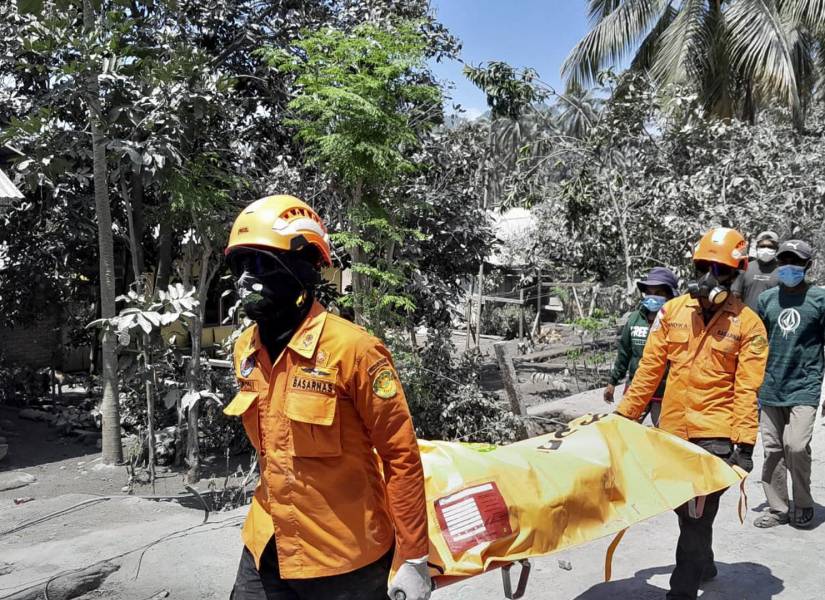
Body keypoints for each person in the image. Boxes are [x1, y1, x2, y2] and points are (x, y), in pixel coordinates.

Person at [223, 195, 430, 600]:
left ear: (302, 268)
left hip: (346, 562)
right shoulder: (245, 350)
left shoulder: (354, 350)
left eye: (262, 263)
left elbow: (401, 457)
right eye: (240, 265)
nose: (247, 278)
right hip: (268, 543)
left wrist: (415, 557)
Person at [616, 227, 768, 600]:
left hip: (715, 436)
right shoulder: (672, 312)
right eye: (705, 267)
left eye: (721, 271)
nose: (710, 278)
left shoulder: (748, 325)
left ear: (736, 275)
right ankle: (706, 561)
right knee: (684, 511)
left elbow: (748, 387)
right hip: (672, 431)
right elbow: (648, 371)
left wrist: (744, 444)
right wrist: (623, 418)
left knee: (696, 517)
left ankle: (681, 591)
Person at [753, 240, 825, 530]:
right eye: (783, 260)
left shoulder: (819, 299)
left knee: (795, 446)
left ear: (808, 266)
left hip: (804, 385)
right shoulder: (767, 300)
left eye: (795, 261)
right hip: (770, 386)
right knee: (772, 450)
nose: (788, 266)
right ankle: (778, 508)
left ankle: (804, 503)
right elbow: (757, 344)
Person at [604, 266, 678, 426]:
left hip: (664, 393)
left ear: (670, 295)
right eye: (649, 292)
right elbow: (624, 353)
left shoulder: (677, 323)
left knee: (664, 436)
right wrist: (612, 382)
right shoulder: (635, 320)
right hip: (636, 390)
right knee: (624, 430)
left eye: (658, 293)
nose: (653, 297)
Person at [732, 230, 780, 311]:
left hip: (770, 321)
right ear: (757, 247)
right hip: (747, 319)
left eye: (770, 246)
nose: (766, 249)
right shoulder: (746, 268)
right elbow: (735, 295)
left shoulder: (782, 270)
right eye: (762, 246)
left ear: (777, 249)